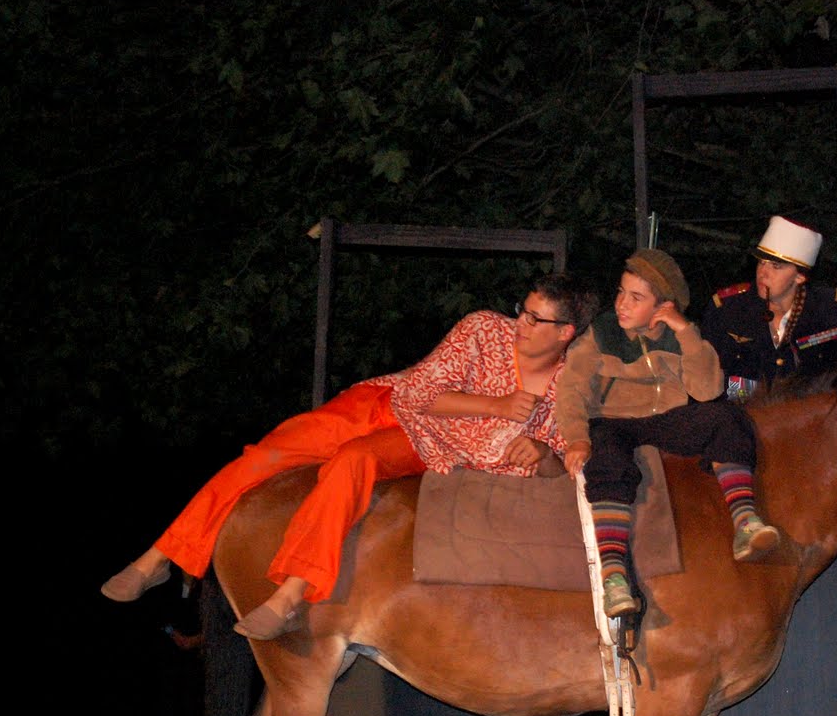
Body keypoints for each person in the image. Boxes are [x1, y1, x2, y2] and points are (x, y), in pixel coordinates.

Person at [101, 272, 598, 639]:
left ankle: (290, 593)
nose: (521, 323)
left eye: (536, 319)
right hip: (386, 405)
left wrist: (541, 452)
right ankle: (159, 558)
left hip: (430, 446)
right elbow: (421, 392)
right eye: (523, 309)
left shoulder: (568, 389)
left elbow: (558, 465)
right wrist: (496, 404)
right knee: (269, 456)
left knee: (354, 463)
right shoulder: (483, 329)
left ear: (566, 333)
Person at [555, 248, 781, 618]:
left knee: (724, 417)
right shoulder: (601, 333)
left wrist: (685, 331)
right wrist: (577, 437)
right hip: (615, 421)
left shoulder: (681, 335)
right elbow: (571, 390)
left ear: (664, 306)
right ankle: (614, 577)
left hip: (665, 419)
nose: (623, 304)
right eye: (621, 292)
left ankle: (744, 520)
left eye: (636, 297)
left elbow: (708, 390)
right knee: (606, 454)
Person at [699, 215, 837, 401]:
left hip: (808, 418)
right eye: (761, 262)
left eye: (776, 266)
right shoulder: (728, 309)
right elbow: (709, 379)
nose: (763, 273)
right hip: (743, 417)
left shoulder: (827, 310)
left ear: (800, 277)